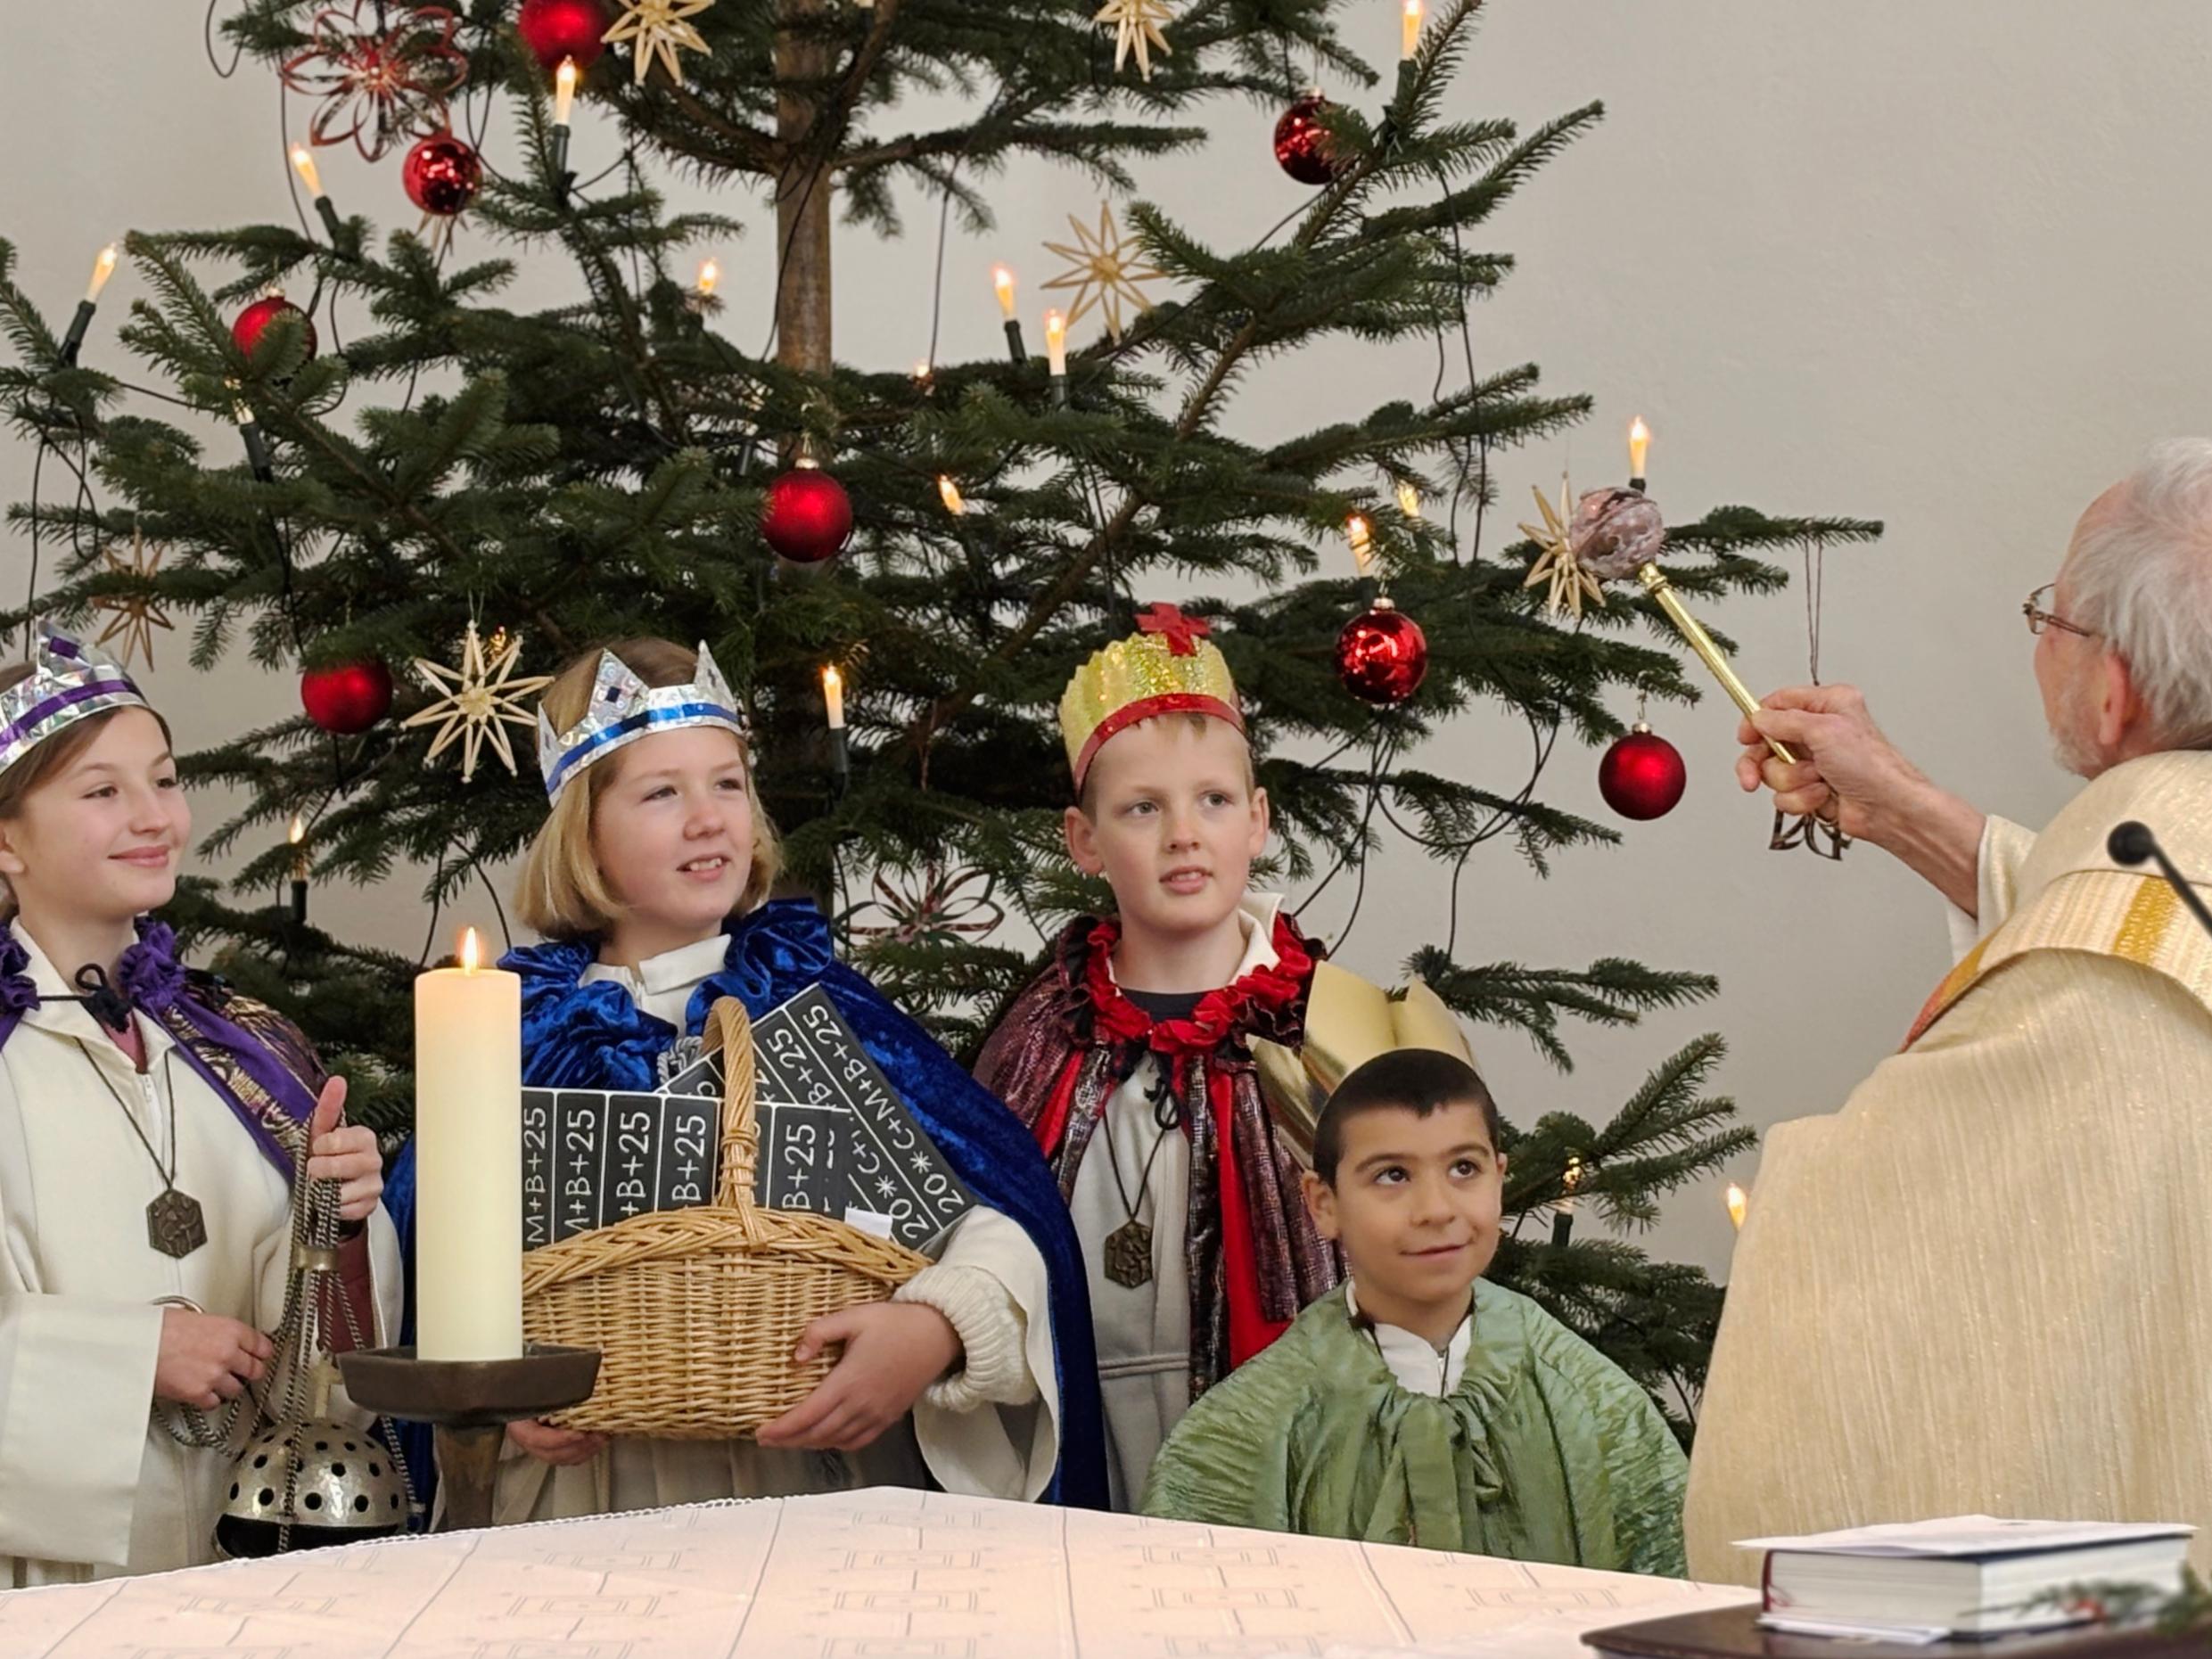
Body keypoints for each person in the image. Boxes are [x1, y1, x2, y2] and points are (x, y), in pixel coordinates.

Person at [1686, 439, 2212, 1579]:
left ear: (2112, 690)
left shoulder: (2087, 1000)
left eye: (2053, 619)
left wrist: (1799, 1185)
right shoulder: (2159, 892)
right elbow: (2134, 905)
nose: (2039, 644)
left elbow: (1909, 1277)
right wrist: (1916, 813)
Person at [492, 637, 1105, 1518]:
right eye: (663, 792)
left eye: (728, 784)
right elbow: (437, 1263)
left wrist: (934, 1327)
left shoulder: (814, 1005)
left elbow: (999, 1218)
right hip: (589, 1504)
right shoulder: (519, 1035)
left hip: (820, 1494)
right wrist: (491, 1387)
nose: (709, 819)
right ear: (582, 831)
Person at [974, 603, 1472, 1507]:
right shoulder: (1042, 1033)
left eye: (1213, 800)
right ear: (1084, 841)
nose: (1183, 834)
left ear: (1258, 821)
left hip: (1279, 1452)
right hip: (1077, 1434)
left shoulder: (1329, 1026)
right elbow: (981, 1223)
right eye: (1141, 809)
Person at [0, 632, 399, 1587]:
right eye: (103, 792)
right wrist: (131, 1355)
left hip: (249, 1573)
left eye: (166, 780)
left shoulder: (240, 1048)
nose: (156, 818)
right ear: (5, 840)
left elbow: (325, 1396)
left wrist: (336, 1226)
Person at [1140, 1048, 1688, 1573]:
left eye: (1464, 1169)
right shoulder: (1248, 1427)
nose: (1436, 1210)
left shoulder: (1597, 1405)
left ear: (1500, 1177)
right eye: (1393, 1176)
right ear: (1323, 1203)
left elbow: (1674, 1586)